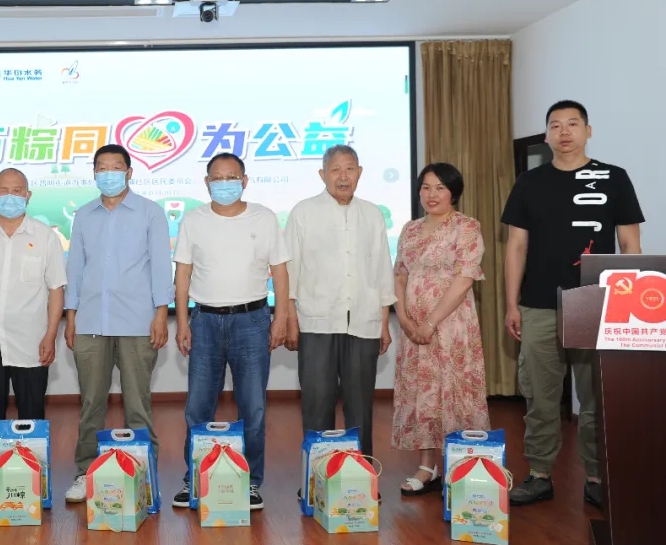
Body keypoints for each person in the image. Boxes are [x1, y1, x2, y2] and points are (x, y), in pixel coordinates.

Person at [502, 100, 643, 508]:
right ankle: (540, 473)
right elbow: (516, 246)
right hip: (538, 303)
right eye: (555, 125)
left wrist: (629, 305)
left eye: (573, 124)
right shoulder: (529, 183)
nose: (564, 132)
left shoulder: (614, 178)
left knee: (596, 396)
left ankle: (598, 476)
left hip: (596, 300)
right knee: (540, 395)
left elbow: (630, 244)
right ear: (546, 134)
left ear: (588, 131)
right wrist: (512, 304)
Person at [171, 153, 290, 510]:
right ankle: (195, 479)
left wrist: (280, 318)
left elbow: (280, 272)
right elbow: (183, 273)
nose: (225, 183)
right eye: (218, 178)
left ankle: (250, 482)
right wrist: (183, 321)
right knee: (198, 407)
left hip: (252, 320)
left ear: (245, 181)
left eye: (232, 177)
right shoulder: (194, 219)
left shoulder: (264, 218)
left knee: (253, 407)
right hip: (205, 321)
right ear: (207, 183)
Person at [62, 144, 173, 503]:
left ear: (129, 172)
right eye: (102, 168)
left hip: (138, 322)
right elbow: (75, 268)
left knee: (138, 405)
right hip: (90, 321)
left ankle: (143, 475)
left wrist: (161, 313)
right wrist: (70, 316)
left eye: (116, 167)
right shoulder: (83, 215)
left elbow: (161, 266)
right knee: (91, 404)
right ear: (94, 173)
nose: (109, 173)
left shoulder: (150, 212)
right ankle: (86, 472)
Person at [285, 144, 395, 463]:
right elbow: (290, 271)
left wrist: (383, 322)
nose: (343, 176)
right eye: (335, 170)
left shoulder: (372, 214)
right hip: (316, 321)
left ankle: (360, 476)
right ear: (323, 174)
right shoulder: (303, 212)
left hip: (363, 321)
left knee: (360, 409)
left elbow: (382, 270)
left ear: (359, 173)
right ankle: (316, 478)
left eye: (349, 169)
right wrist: (290, 320)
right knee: (317, 406)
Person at [0, 168, 66, 506]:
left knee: (31, 416)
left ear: (28, 196)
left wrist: (51, 334)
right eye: (3, 190)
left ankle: (32, 479)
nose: (10, 196)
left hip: (30, 343)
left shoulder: (46, 237)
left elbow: (56, 289)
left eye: (17, 190)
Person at [392, 163, 490, 495]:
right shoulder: (409, 229)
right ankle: (426, 466)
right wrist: (404, 318)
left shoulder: (467, 227)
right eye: (426, 187)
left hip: (451, 326)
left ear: (453, 192)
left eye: (440, 188)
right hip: (414, 328)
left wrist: (431, 322)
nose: (431, 195)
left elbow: (465, 278)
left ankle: (462, 464)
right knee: (423, 392)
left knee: (453, 391)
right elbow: (399, 274)